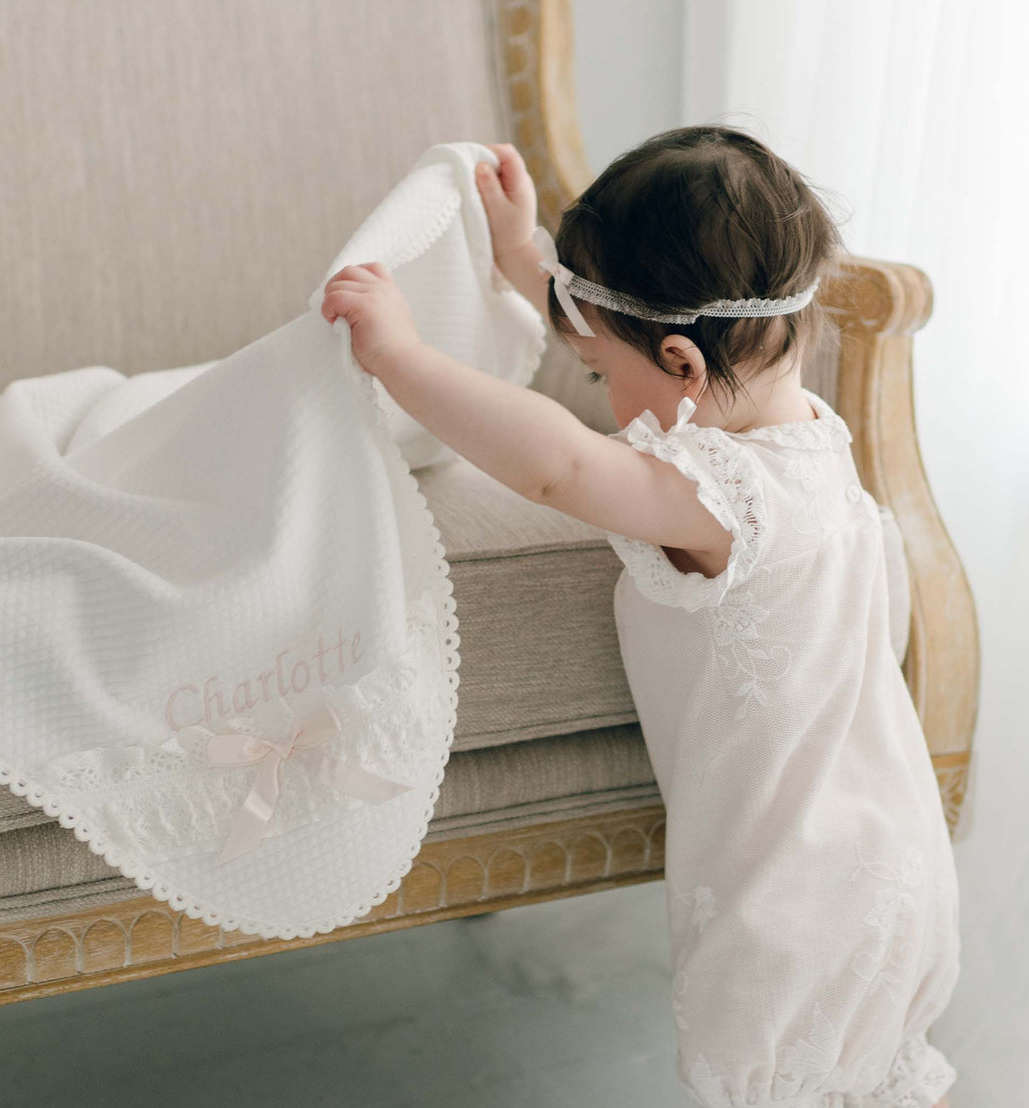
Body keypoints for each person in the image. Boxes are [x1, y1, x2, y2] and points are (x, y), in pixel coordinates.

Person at [319, 126, 960, 1108]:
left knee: (774, 1081)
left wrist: (399, 355)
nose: (600, 395)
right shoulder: (806, 443)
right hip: (884, 853)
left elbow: (557, 464)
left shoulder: (715, 498)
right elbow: (615, 337)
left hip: (793, 895)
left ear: (681, 365)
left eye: (598, 378)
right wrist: (522, 255)